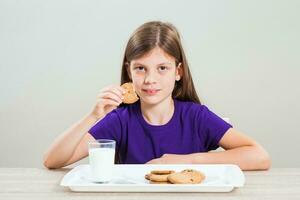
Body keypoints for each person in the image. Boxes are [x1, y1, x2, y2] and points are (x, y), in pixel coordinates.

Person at [43, 21, 271, 170]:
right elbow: (53, 161)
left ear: (178, 72)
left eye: (162, 68)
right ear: (129, 72)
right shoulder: (121, 120)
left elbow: (260, 156)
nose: (150, 79)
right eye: (141, 68)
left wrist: (186, 161)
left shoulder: (196, 117)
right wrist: (93, 115)